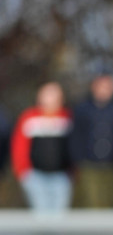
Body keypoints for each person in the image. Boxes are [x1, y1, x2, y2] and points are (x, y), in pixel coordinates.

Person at [11, 81, 73, 212]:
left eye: (55, 95)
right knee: (41, 215)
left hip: (61, 177)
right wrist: (24, 172)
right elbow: (19, 147)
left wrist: (72, 172)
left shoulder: (67, 118)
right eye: (48, 94)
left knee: (60, 216)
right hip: (36, 176)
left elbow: (74, 147)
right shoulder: (29, 118)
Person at [70, 69, 113, 209]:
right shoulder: (82, 109)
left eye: (107, 86)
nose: (104, 90)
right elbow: (76, 136)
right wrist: (78, 159)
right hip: (89, 164)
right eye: (101, 86)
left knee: (111, 202)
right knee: (92, 202)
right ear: (93, 87)